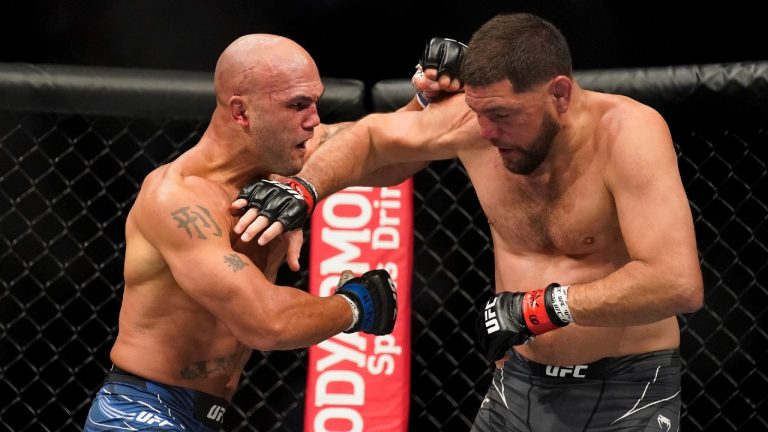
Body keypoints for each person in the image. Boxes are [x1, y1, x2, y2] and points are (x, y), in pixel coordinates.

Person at [233, 13, 704, 431]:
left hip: (627, 390)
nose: (486, 132)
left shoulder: (627, 133)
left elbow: (676, 283)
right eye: (479, 113)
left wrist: (540, 308)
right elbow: (373, 140)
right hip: (518, 384)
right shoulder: (478, 124)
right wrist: (304, 189)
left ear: (559, 94)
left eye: (501, 114)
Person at [82, 34, 397, 432]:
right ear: (241, 112)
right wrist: (355, 305)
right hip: (139, 414)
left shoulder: (282, 164)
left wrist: (428, 95)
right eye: (297, 104)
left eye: (315, 102)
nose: (314, 119)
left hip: (206, 417)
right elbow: (267, 322)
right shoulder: (177, 198)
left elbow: (390, 144)